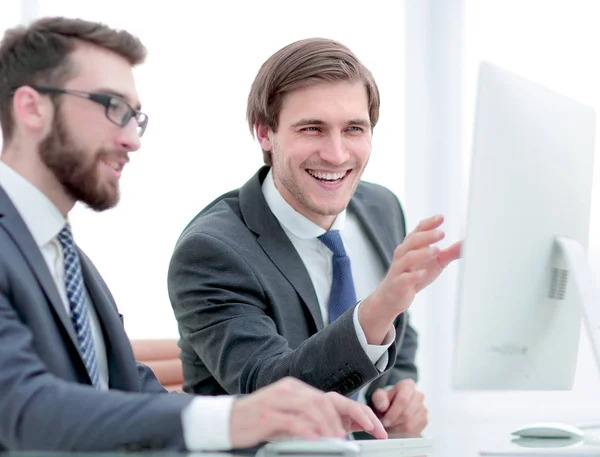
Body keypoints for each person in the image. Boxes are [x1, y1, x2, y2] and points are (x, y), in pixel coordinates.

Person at [0, 18, 387, 452]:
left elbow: (125, 391)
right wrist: (237, 415)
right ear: (32, 108)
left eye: (134, 117)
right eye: (111, 107)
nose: (131, 139)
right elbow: (20, 406)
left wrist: (281, 413)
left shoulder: (66, 258)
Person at [168, 37, 461, 437]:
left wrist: (398, 396)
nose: (337, 154)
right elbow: (270, 388)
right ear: (265, 133)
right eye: (312, 129)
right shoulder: (211, 251)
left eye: (354, 128)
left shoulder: (380, 208)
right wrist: (381, 305)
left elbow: (398, 334)